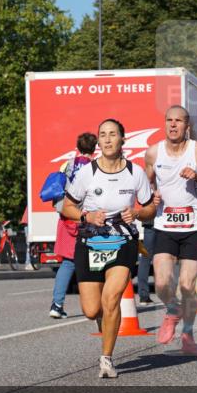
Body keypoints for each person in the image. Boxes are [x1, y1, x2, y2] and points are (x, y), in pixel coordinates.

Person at [61, 119, 156, 378]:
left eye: (113, 134)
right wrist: (87, 217)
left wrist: (136, 212)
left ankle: (106, 359)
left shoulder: (135, 173)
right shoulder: (86, 173)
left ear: (122, 139)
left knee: (112, 298)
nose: (107, 139)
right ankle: (108, 325)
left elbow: (150, 209)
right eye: (102, 135)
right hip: (90, 242)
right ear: (98, 141)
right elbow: (67, 207)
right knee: (92, 310)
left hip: (123, 241)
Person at [145, 105, 197, 355]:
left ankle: (188, 332)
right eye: (169, 120)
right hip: (165, 225)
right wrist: (149, 199)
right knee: (162, 284)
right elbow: (144, 187)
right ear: (165, 123)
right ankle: (173, 310)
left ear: (187, 125)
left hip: (194, 227)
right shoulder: (153, 152)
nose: (173, 125)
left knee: (187, 285)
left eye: (178, 121)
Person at [50, 132, 96, 319]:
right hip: (85, 218)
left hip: (67, 217)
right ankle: (93, 304)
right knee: (93, 262)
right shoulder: (94, 168)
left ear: (78, 147)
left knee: (68, 263)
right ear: (94, 149)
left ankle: (57, 304)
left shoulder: (67, 165)